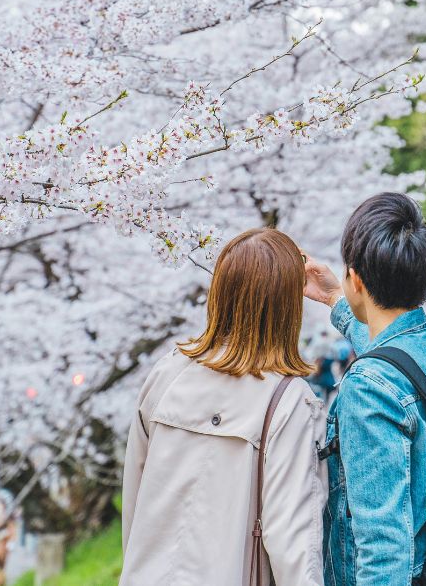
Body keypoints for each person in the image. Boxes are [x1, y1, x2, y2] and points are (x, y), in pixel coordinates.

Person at [120, 228, 326, 586]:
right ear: (288, 306)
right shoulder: (289, 400)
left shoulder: (168, 372)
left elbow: (135, 503)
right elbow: (293, 543)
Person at [303, 192, 426, 586]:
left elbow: (384, 547)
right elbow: (397, 356)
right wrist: (332, 297)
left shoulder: (367, 388)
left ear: (356, 280)